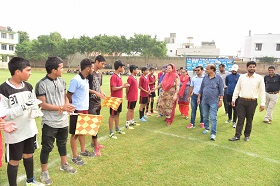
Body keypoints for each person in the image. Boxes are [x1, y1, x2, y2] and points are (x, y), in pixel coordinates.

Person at [0, 57, 44, 186]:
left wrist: (35, 110)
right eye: (28, 70)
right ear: (17, 71)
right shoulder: (3, 89)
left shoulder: (29, 86)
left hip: (29, 129)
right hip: (14, 131)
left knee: (29, 155)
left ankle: (30, 181)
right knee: (14, 160)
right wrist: (23, 107)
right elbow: (4, 114)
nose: (30, 73)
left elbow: (33, 104)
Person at [35, 57, 77, 185]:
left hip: (63, 120)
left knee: (62, 144)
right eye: (61, 67)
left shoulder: (62, 81)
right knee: (47, 147)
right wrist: (60, 107)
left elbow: (65, 97)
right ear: (53, 70)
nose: (63, 70)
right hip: (49, 122)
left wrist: (67, 106)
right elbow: (42, 105)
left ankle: (64, 164)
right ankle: (44, 172)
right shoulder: (41, 84)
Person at [67, 58, 95, 166]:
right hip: (77, 109)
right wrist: (71, 107)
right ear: (88, 68)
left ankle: (83, 150)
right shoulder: (76, 80)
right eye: (91, 67)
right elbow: (69, 94)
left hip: (84, 109)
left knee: (82, 131)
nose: (92, 69)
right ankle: (75, 156)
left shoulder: (86, 79)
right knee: (75, 134)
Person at [229, 61, 266, 142]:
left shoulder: (259, 78)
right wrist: (233, 99)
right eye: (250, 67)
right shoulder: (242, 77)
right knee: (240, 119)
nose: (252, 68)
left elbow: (262, 91)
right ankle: (237, 135)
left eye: (253, 67)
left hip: (252, 102)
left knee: (249, 120)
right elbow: (237, 88)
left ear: (255, 68)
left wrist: (263, 103)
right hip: (241, 101)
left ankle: (247, 135)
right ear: (247, 68)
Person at [198, 64, 224, 141]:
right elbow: (201, 88)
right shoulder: (205, 78)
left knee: (213, 117)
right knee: (205, 115)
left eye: (207, 69)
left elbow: (221, 90)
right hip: (204, 100)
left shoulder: (219, 78)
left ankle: (213, 133)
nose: (206, 70)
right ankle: (207, 128)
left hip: (214, 101)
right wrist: (199, 97)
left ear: (212, 70)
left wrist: (221, 100)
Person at [87, 55, 106, 156]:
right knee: (93, 124)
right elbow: (85, 87)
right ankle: (95, 146)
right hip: (91, 102)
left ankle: (94, 142)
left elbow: (99, 86)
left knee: (97, 123)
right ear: (97, 62)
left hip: (98, 102)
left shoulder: (100, 74)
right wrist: (96, 93)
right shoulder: (90, 72)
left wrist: (102, 93)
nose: (103, 66)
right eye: (102, 64)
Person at [108, 60, 130, 139]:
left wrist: (124, 86)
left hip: (119, 99)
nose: (123, 68)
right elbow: (113, 88)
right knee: (112, 115)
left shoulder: (119, 75)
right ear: (119, 67)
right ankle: (111, 132)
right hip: (114, 99)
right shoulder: (113, 76)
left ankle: (117, 128)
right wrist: (123, 87)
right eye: (122, 67)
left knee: (117, 114)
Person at [125, 65, 139, 129]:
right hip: (131, 96)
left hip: (135, 96)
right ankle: (127, 123)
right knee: (130, 109)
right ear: (133, 70)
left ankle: (132, 121)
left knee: (132, 109)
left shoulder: (135, 77)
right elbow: (127, 87)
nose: (137, 70)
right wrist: (127, 94)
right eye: (136, 69)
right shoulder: (130, 78)